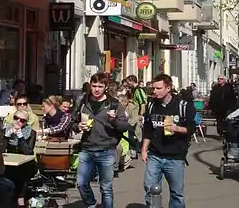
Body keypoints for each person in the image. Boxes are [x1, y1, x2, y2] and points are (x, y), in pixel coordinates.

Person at [71, 73, 130, 208]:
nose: (97, 89)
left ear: (105, 87)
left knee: (106, 187)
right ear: (90, 86)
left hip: (107, 150)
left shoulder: (113, 103)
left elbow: (124, 127)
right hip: (87, 148)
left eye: (100, 86)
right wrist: (78, 126)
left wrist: (114, 120)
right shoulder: (82, 101)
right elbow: (72, 122)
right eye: (94, 86)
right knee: (81, 183)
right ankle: (91, 204)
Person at [141, 74, 196, 208]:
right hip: (155, 154)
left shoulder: (183, 105)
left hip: (175, 156)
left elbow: (191, 128)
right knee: (149, 188)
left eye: (158, 88)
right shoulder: (151, 105)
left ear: (168, 88)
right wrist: (143, 150)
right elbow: (148, 129)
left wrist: (177, 128)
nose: (155, 91)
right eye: (153, 88)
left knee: (177, 193)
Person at [3, 110, 38, 207]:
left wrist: (20, 136)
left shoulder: (31, 132)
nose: (18, 121)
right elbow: (0, 149)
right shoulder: (6, 129)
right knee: (10, 171)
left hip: (26, 163)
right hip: (10, 163)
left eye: (22, 120)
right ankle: (18, 199)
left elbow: (28, 152)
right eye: (16, 118)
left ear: (26, 122)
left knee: (20, 172)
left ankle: (19, 198)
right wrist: (6, 136)